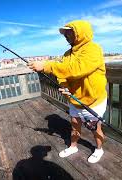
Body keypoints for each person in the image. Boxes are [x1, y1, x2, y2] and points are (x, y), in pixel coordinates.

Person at [29, 20, 107, 163]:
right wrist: (65, 86)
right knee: (74, 124)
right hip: (75, 99)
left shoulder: (93, 49)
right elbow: (63, 74)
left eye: (69, 32)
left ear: (80, 33)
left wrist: (47, 66)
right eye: (65, 33)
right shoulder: (67, 54)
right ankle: (73, 146)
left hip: (93, 100)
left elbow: (77, 69)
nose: (66, 36)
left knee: (95, 128)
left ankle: (99, 149)